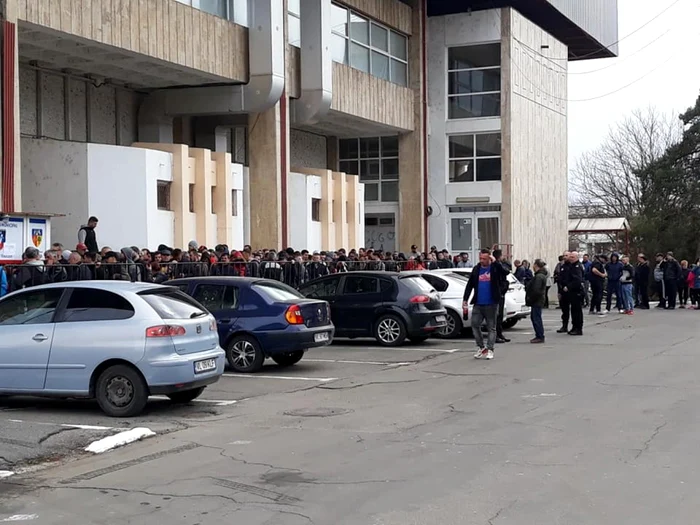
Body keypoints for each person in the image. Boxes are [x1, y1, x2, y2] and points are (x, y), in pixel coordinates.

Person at [463, 249, 508, 360]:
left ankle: (490, 349)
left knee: (491, 327)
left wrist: (495, 262)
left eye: (484, 259)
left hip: (491, 303)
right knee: (474, 325)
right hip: (478, 303)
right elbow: (470, 285)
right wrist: (465, 299)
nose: (482, 261)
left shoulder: (494, 268)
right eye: (480, 258)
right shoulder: (477, 269)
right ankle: (481, 347)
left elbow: (505, 272)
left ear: (489, 258)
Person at [557, 251, 584, 335]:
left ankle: (578, 328)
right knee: (571, 310)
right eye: (570, 257)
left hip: (576, 291)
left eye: (572, 257)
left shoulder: (577, 266)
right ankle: (573, 327)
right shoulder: (567, 266)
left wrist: (568, 286)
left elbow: (577, 280)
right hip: (568, 292)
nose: (570, 258)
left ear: (577, 257)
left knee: (577, 311)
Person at [525, 259, 548, 343]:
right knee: (535, 317)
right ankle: (539, 335)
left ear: (536, 265)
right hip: (538, 300)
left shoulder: (539, 276)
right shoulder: (540, 275)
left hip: (537, 301)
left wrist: (531, 298)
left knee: (536, 318)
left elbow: (536, 290)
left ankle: (539, 336)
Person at [492, 249, 511, 344]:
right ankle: (495, 335)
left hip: (501, 292)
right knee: (496, 315)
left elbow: (507, 271)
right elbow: (504, 271)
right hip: (496, 292)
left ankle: (499, 334)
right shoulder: (495, 265)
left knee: (499, 315)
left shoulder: (500, 264)